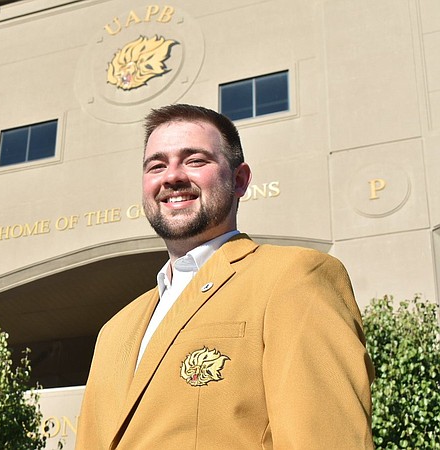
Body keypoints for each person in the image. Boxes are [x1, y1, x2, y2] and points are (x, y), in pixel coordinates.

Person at [75, 104, 374, 449]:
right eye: (157, 165)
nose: (171, 176)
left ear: (240, 180)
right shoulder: (115, 330)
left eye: (195, 160)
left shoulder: (295, 277)